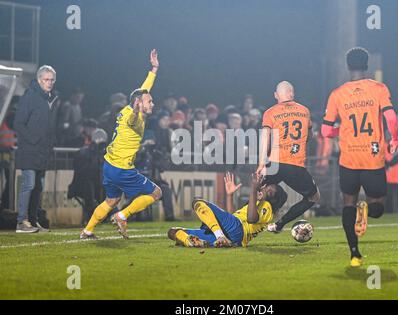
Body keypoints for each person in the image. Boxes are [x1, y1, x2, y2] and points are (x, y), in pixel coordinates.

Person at [321, 47, 398, 267]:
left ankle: (354, 253)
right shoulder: (378, 88)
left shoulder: (337, 94)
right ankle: (367, 209)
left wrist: (341, 131)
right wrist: (394, 139)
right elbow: (391, 117)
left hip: (348, 160)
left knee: (348, 204)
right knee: (378, 208)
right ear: (367, 65)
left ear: (348, 66)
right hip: (373, 157)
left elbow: (326, 131)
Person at [80, 49, 162, 239]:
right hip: (122, 169)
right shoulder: (135, 118)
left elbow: (144, 90)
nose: (153, 104)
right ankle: (122, 215)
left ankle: (87, 230)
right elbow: (133, 119)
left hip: (109, 165)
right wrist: (136, 111)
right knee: (156, 193)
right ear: (138, 104)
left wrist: (154, 69)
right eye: (149, 102)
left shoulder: (127, 108)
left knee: (112, 199)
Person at [256, 81, 320, 233]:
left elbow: (265, 137)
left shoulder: (270, 112)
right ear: (292, 94)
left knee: (256, 190)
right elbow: (310, 135)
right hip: (295, 165)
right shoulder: (304, 111)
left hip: (274, 163)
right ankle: (279, 224)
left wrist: (261, 163)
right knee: (313, 197)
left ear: (276, 95)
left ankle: (237, 224)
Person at [167, 172, 287, 247]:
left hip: (237, 231)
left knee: (198, 202)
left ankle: (219, 236)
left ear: (274, 200)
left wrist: (253, 190)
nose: (264, 189)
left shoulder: (266, 206)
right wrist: (230, 195)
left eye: (269, 191)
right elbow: (233, 216)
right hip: (233, 237)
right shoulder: (257, 204)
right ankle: (190, 241)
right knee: (173, 232)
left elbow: (251, 219)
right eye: (265, 187)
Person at [14, 65, 59, 233]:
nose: (50, 83)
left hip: (43, 151)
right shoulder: (30, 97)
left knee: (38, 186)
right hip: (29, 150)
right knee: (29, 184)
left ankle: (32, 221)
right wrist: (33, 140)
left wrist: (50, 142)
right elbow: (18, 123)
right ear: (39, 80)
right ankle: (21, 222)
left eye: (52, 80)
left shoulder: (51, 99)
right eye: (46, 79)